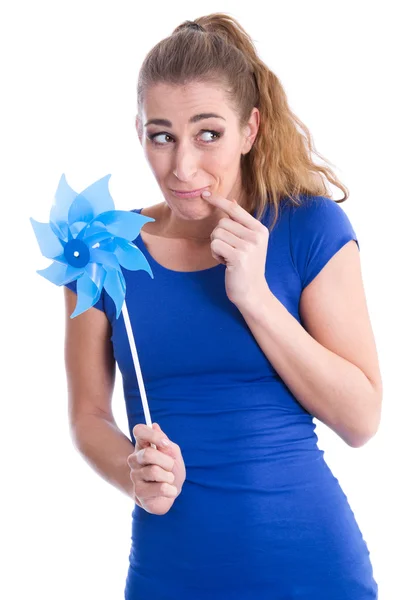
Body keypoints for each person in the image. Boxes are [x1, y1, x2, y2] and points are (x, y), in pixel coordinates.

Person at [64, 13, 382, 599]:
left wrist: (255, 297)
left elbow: (361, 421)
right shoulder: (100, 251)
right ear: (139, 132)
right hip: (169, 574)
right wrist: (133, 476)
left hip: (312, 570)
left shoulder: (309, 228)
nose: (183, 167)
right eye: (162, 136)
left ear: (250, 129)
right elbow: (88, 416)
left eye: (208, 134)